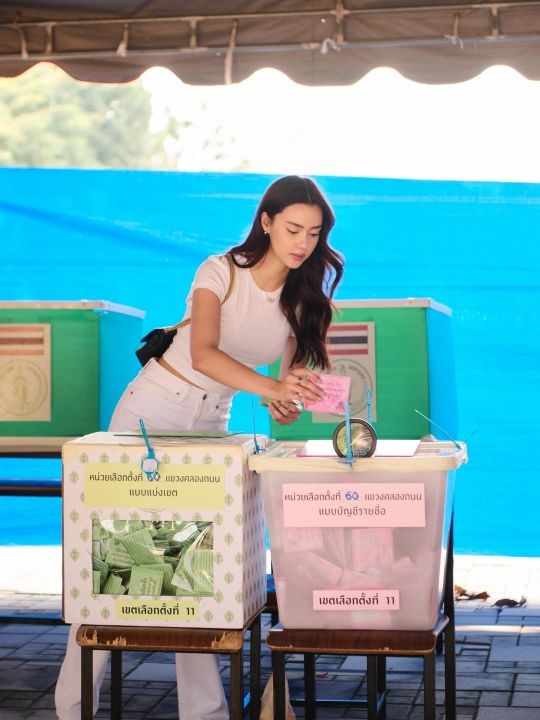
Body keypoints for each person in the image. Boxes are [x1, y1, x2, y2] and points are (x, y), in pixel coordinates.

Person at [55, 174, 344, 720]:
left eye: (313, 233)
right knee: (110, 563)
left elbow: (282, 388)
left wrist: (286, 402)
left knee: (195, 568)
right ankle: (72, 708)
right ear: (266, 222)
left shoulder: (301, 298)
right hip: (150, 413)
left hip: (213, 424)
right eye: (293, 229)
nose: (303, 243)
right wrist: (272, 389)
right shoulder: (220, 271)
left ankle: (205, 712)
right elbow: (205, 354)